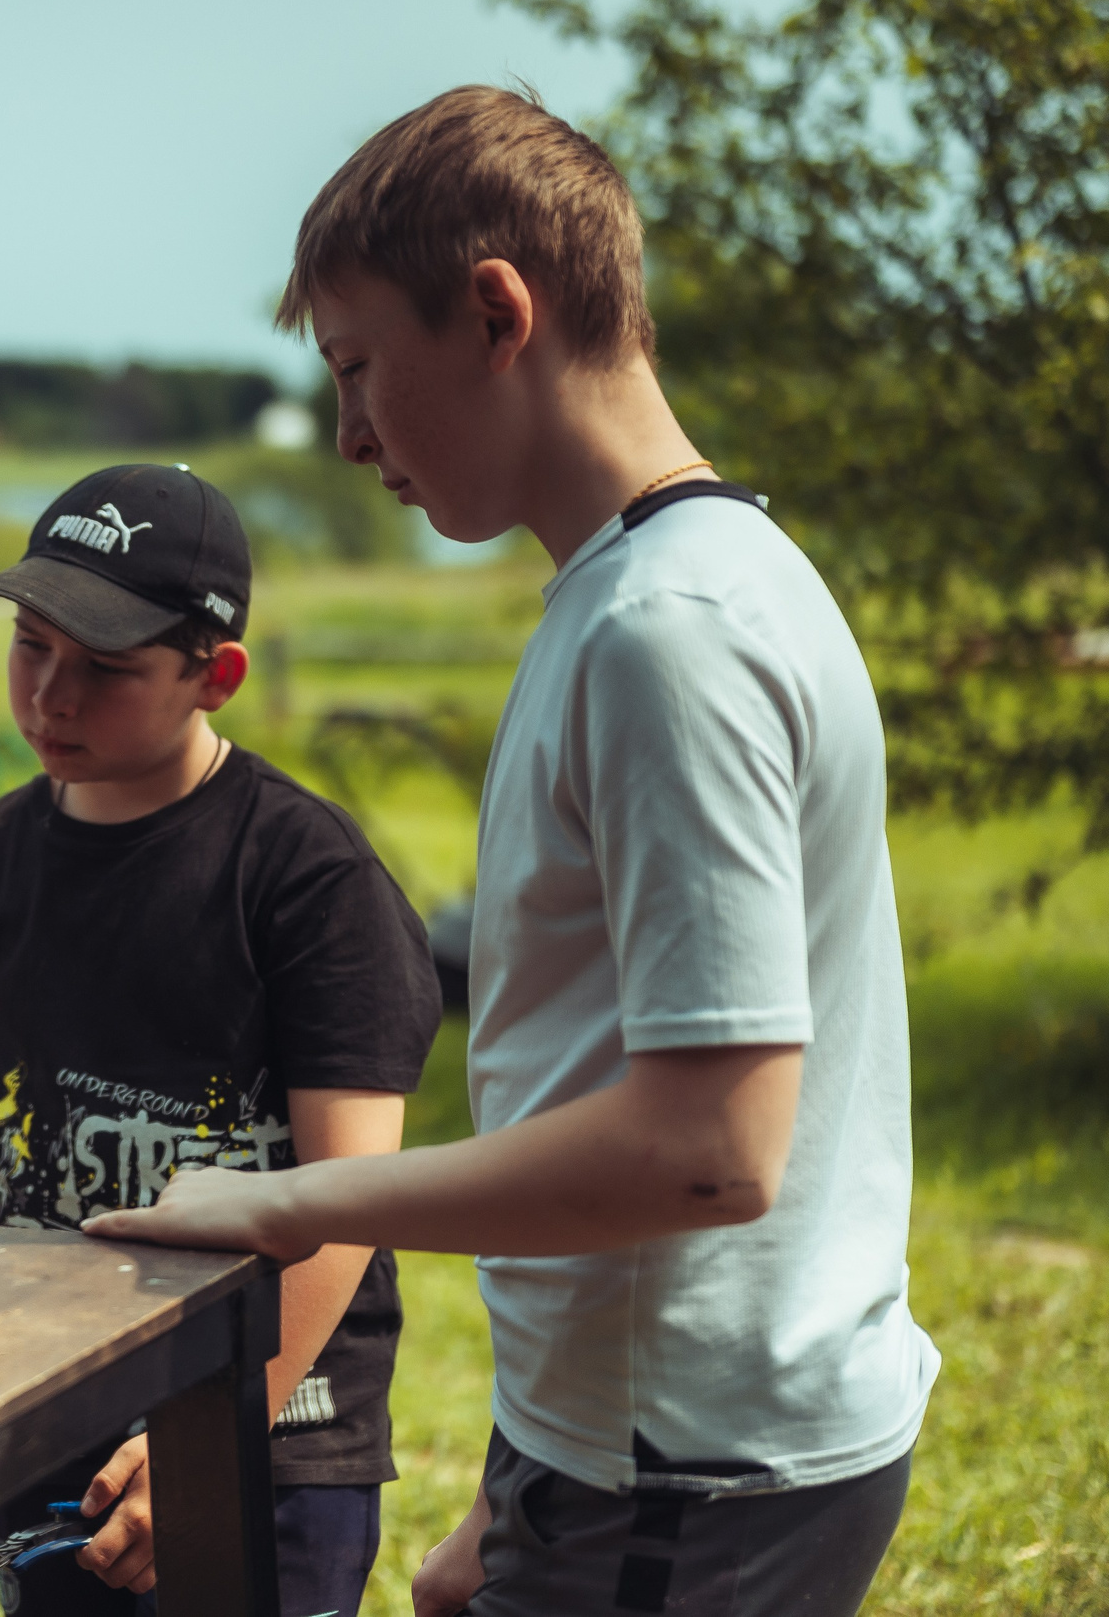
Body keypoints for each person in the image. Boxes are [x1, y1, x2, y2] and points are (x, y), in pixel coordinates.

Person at [85, 87, 939, 1617]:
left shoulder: (664, 633)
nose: (347, 435)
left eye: (358, 369)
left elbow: (708, 1148)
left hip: (686, 1470)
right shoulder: (690, 578)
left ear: (496, 313)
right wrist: (527, 1464)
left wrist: (288, 1203)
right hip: (644, 1442)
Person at [0, 463, 442, 1617]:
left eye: (104, 669)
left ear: (216, 675)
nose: (51, 695)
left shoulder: (305, 876)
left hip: (275, 1423)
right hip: (52, 1402)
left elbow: (354, 1197)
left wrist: (216, 1429)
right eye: (30, 646)